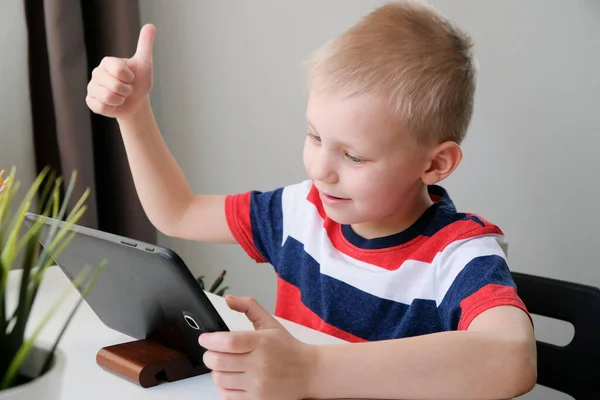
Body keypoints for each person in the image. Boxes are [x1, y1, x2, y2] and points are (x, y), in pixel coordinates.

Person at [85, 1, 537, 399]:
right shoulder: (302, 211)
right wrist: (133, 113)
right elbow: (178, 212)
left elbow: (511, 359)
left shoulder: (459, 253)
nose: (320, 169)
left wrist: (308, 369)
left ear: (435, 165)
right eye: (315, 136)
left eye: (355, 156)